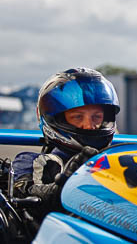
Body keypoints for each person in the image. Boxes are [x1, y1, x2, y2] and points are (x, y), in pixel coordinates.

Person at [11, 67, 120, 234]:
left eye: (96, 117)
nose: (89, 126)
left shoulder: (120, 159)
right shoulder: (29, 162)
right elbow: (26, 196)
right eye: (78, 117)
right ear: (56, 119)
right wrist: (66, 184)